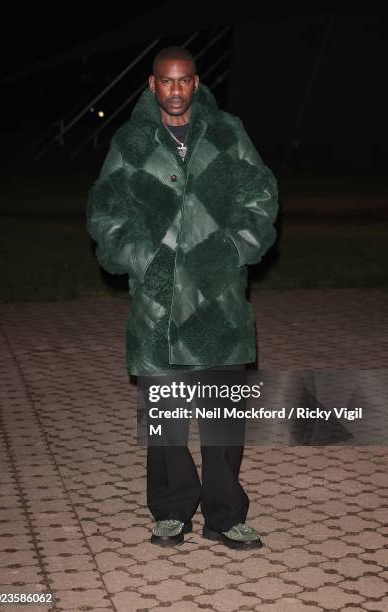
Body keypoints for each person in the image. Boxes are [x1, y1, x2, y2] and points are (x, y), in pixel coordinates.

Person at [86, 46, 279, 549]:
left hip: (218, 298)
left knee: (223, 422)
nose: (175, 90)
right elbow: (105, 213)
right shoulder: (130, 142)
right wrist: (142, 258)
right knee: (165, 423)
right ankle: (171, 509)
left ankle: (225, 514)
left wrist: (234, 248)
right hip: (158, 300)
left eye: (184, 81)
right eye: (166, 82)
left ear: (196, 83)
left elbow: (261, 197)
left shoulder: (227, 133)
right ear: (152, 85)